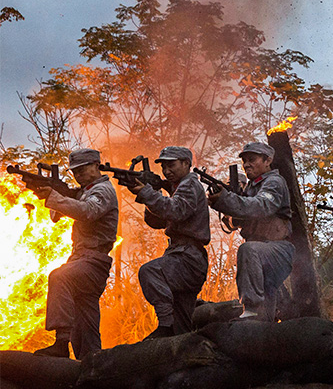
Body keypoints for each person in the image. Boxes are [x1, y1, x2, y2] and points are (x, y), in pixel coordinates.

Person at [31, 148, 119, 359]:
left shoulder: (103, 190)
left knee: (60, 276)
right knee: (85, 328)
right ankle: (92, 370)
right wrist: (55, 195)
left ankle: (61, 342)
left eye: (82, 169)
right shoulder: (84, 191)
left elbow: (88, 211)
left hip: (93, 261)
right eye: (75, 171)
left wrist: (55, 196)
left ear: (97, 166)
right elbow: (56, 216)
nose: (77, 174)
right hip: (82, 260)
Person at [126, 146, 210, 338]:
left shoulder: (189, 185)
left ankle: (165, 325)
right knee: (182, 324)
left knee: (150, 271)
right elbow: (157, 222)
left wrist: (148, 193)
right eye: (163, 167)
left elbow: (177, 210)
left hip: (188, 257)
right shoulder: (177, 188)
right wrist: (150, 194)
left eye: (171, 165)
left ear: (186, 164)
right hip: (182, 255)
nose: (166, 171)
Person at [209, 141, 293, 321]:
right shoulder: (252, 187)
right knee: (267, 309)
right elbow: (235, 221)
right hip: (262, 253)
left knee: (248, 250)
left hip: (276, 249)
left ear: (268, 160)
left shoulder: (274, 182)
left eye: (252, 159)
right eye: (245, 160)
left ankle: (251, 308)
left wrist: (227, 199)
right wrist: (223, 203)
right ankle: (262, 326)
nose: (247, 164)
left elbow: (262, 205)